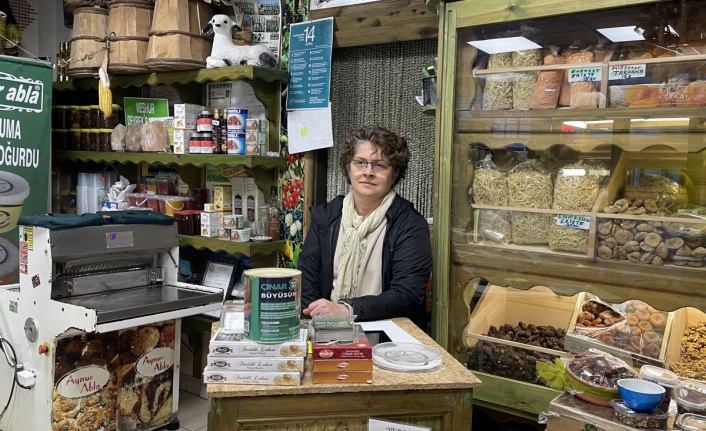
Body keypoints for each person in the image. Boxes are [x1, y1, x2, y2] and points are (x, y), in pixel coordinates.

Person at [299, 125, 432, 329]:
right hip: (325, 331)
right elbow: (306, 284)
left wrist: (347, 310)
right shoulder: (326, 217)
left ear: (394, 174)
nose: (368, 172)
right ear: (348, 168)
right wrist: (319, 320)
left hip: (388, 336)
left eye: (379, 165)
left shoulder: (411, 224)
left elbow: (407, 294)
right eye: (360, 162)